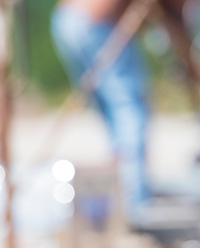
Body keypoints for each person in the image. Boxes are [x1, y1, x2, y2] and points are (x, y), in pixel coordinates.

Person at [51, 0, 153, 228]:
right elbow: (177, 12)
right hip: (97, 21)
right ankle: (133, 206)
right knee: (129, 110)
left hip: (68, 19)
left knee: (113, 114)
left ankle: (119, 198)